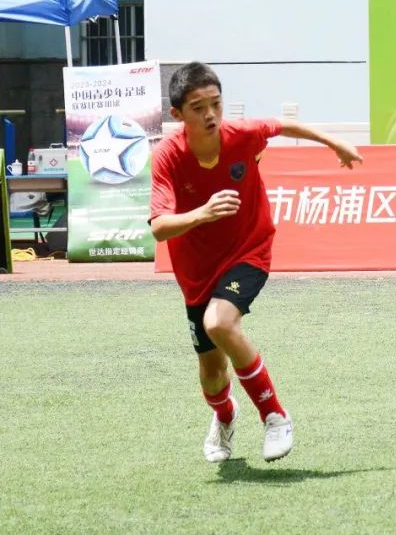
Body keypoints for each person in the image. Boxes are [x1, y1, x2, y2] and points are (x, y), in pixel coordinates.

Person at [150, 62, 363, 463]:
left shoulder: (242, 134)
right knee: (212, 372)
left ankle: (275, 416)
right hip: (196, 272)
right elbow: (160, 228)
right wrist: (202, 214)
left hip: (249, 250)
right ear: (177, 114)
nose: (211, 114)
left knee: (219, 322)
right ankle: (225, 416)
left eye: (216, 103)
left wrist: (333, 142)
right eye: (198, 108)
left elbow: (284, 126)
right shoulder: (167, 156)